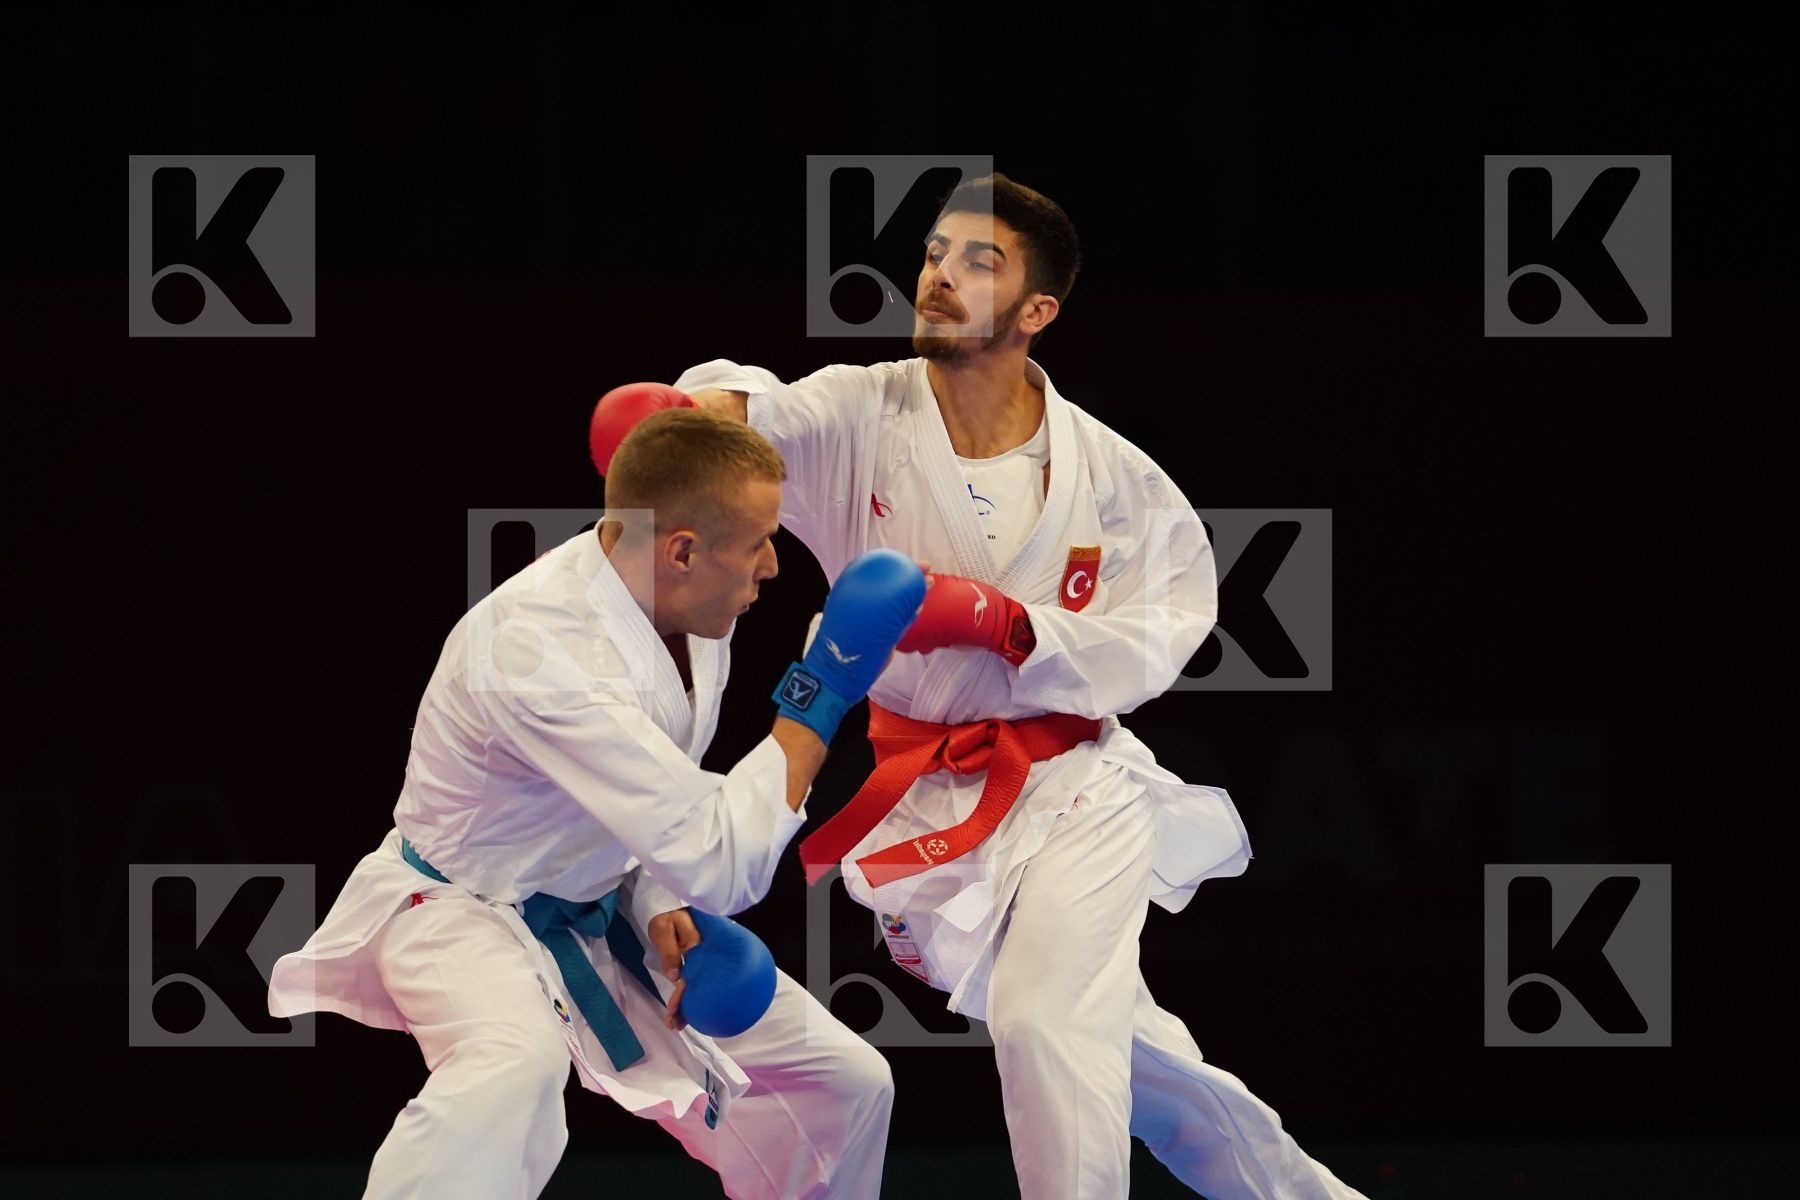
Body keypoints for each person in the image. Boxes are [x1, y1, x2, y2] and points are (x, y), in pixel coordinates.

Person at [590, 175, 1367, 1199]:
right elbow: (749, 408)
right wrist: (687, 416)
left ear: (1038, 312)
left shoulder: (1119, 480)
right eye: (934, 255)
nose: (940, 277)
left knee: (1048, 1021)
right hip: (933, 799)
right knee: (1139, 1066)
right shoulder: (858, 416)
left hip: (1073, 785)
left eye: (979, 263)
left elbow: (1164, 632)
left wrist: (1008, 626)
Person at [268, 408, 926, 1200]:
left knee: (845, 1081)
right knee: (513, 1066)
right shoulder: (541, 651)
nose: (774, 566)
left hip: (599, 897)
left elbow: (651, 792)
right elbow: (725, 867)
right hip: (463, 910)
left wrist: (653, 894)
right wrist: (820, 693)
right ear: (682, 549)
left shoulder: (690, 603)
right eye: (758, 541)